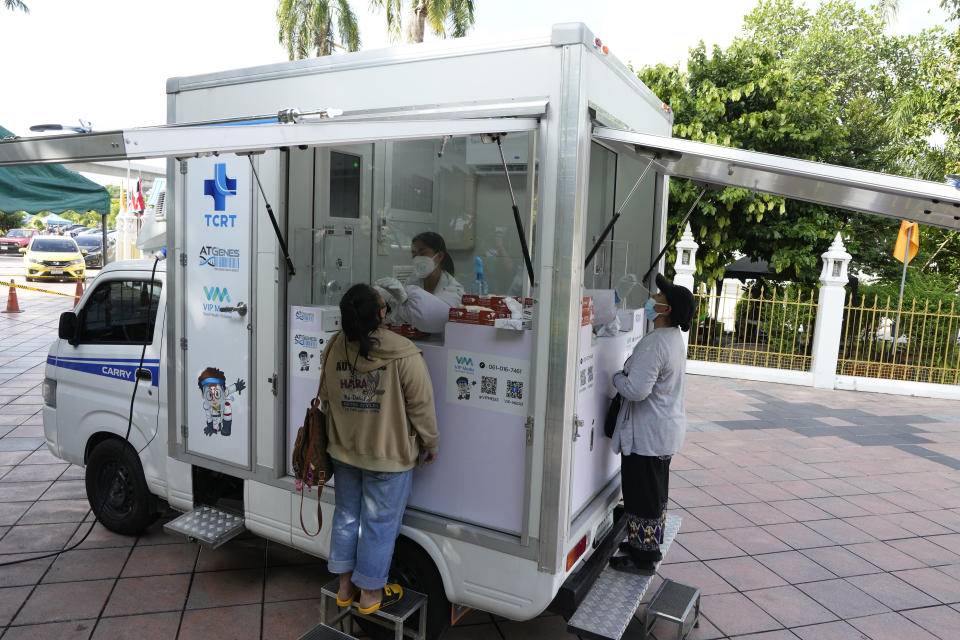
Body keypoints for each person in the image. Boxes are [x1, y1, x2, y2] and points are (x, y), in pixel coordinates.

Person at [319, 284, 440, 614]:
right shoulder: (403, 352)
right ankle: (370, 595)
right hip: (389, 458)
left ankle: (345, 587)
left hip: (342, 451)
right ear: (380, 314)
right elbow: (421, 407)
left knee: (346, 516)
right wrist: (430, 442)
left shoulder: (334, 347)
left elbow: (327, 399)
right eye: (384, 305)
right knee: (379, 525)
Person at [609, 273, 694, 573]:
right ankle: (642, 545)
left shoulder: (657, 342)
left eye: (659, 297)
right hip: (663, 433)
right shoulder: (671, 339)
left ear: (666, 310)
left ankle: (643, 559)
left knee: (642, 496)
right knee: (654, 495)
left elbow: (637, 390)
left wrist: (616, 376)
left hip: (648, 436)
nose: (652, 298)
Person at [375, 231, 465, 333]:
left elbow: (440, 318)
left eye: (422, 253)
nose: (417, 258)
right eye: (414, 254)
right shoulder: (411, 281)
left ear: (439, 256)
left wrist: (405, 302)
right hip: (412, 344)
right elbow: (399, 318)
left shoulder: (454, 289)